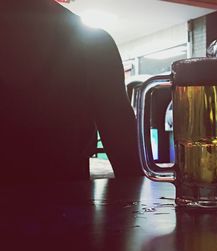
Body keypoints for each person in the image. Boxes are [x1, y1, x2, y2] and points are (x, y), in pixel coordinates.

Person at [1, 1, 143, 182]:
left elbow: (126, 149)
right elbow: (126, 152)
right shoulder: (93, 42)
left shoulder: (92, 42)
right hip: (69, 198)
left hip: (68, 199)